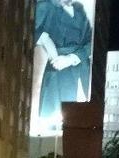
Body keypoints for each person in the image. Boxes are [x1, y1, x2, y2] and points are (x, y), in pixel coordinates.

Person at [33, 0, 93, 131]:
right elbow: (32, 31)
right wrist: (49, 46)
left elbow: (90, 42)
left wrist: (72, 58)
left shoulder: (79, 9)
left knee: (79, 122)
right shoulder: (45, 6)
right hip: (57, 71)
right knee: (54, 123)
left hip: (82, 71)